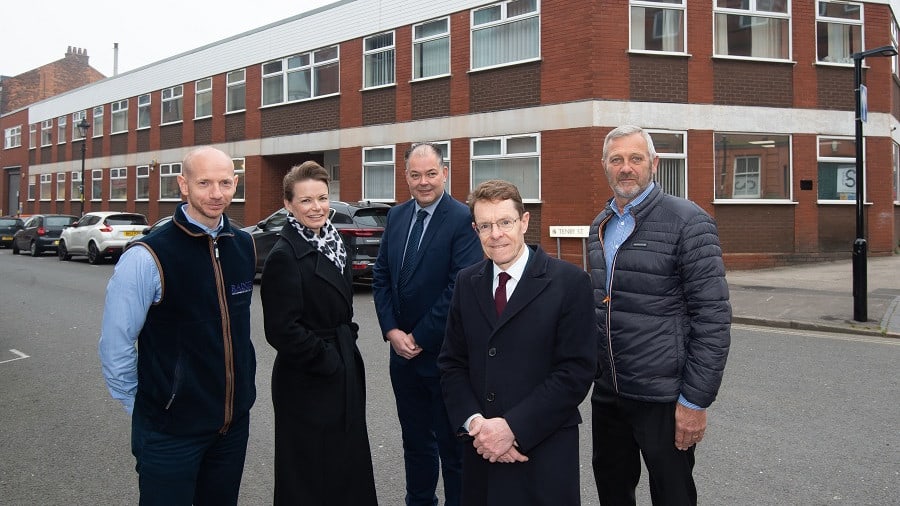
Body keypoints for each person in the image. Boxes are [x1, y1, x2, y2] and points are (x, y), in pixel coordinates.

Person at [98, 146, 257, 506]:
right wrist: (149, 406)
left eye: (225, 183)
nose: (217, 193)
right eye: (204, 183)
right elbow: (116, 343)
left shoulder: (243, 245)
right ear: (183, 185)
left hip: (231, 427)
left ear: (235, 183)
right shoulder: (148, 255)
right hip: (170, 432)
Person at [587, 125, 732, 506]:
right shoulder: (600, 226)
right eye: (616, 159)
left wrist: (694, 403)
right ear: (604, 166)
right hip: (610, 395)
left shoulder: (688, 221)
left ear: (654, 163)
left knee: (673, 497)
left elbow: (712, 318)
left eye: (635, 158)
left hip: (665, 400)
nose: (626, 168)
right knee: (612, 492)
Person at [438, 179, 597, 505]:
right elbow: (452, 363)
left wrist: (512, 428)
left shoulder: (570, 283)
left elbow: (575, 372)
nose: (496, 234)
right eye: (485, 225)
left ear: (524, 221)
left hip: (543, 453)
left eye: (505, 222)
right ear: (475, 229)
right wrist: (477, 425)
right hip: (482, 453)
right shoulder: (467, 283)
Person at [260, 161, 377, 505]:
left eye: (322, 198)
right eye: (306, 200)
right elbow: (281, 330)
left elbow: (344, 307)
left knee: (344, 462)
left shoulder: (335, 241)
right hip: (307, 379)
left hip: (340, 364)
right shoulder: (285, 255)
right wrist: (327, 359)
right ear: (288, 205)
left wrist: (346, 343)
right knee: (310, 472)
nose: (317, 207)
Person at [372, 142, 483, 506]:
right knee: (415, 444)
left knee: (453, 449)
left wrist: (417, 336)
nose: (424, 182)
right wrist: (391, 331)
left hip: (442, 356)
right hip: (401, 357)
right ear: (405, 176)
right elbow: (381, 277)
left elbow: (457, 288)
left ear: (445, 173)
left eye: (431, 173)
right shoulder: (397, 215)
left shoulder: (462, 219)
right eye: (416, 175)